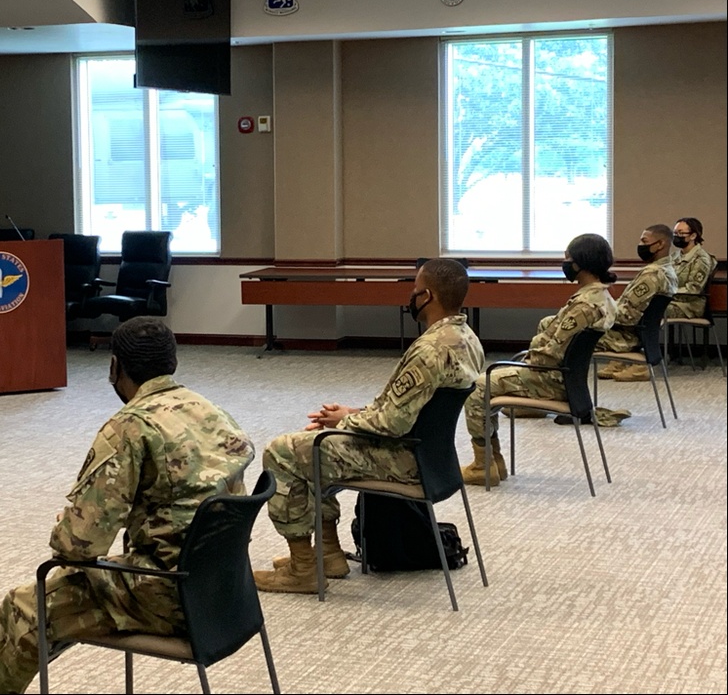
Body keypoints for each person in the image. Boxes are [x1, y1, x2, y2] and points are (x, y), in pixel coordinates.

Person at [0, 316, 255, 694]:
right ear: (172, 362)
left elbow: (77, 547)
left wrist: (72, 523)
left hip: (168, 594)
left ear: (115, 367)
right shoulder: (210, 410)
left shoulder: (131, 427)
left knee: (27, 605)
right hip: (223, 586)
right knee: (65, 599)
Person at [253, 259, 484, 594]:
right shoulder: (466, 338)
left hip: (404, 460)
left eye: (415, 290)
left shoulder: (429, 350)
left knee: (283, 452)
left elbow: (391, 424)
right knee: (314, 445)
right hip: (433, 458)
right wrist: (352, 412)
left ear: (428, 296)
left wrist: (343, 421)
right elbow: (413, 408)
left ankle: (303, 569)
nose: (411, 296)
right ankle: (328, 555)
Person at [460, 234, 618, 485]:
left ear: (580, 263)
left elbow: (549, 355)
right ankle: (493, 462)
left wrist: (536, 344)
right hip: (569, 381)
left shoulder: (585, 304)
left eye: (568, 259)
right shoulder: (602, 298)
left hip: (550, 380)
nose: (565, 264)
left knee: (477, 387)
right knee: (489, 381)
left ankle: (484, 464)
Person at [594, 224, 677, 384]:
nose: (640, 246)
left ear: (660, 244)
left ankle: (547, 388)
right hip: (637, 334)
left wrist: (598, 312)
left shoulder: (652, 274)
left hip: (625, 337)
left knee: (557, 330)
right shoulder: (666, 269)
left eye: (644, 241)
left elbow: (626, 317)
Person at [667, 217, 716, 320]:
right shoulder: (674, 257)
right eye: (675, 233)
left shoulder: (701, 259)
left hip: (690, 306)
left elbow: (693, 290)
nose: (676, 236)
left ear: (693, 235)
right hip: (672, 301)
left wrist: (668, 293)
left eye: (680, 233)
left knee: (652, 311)